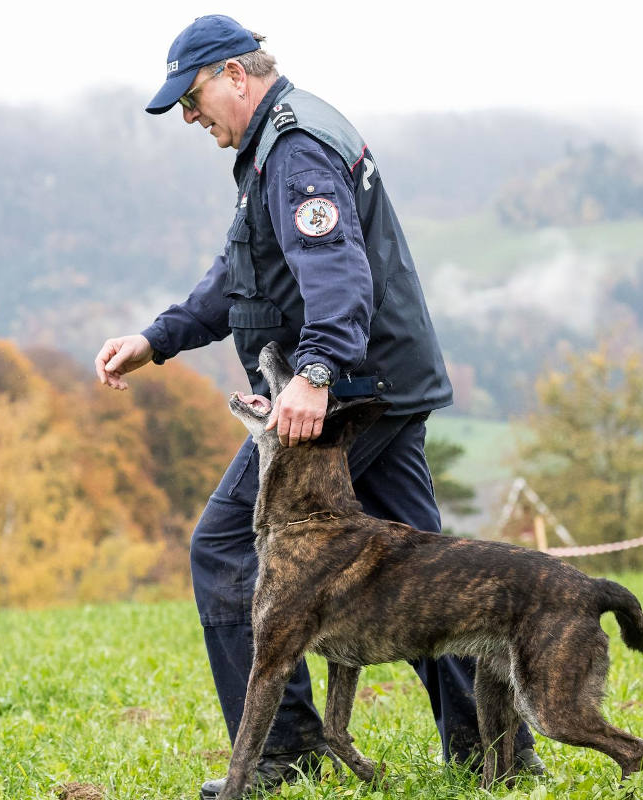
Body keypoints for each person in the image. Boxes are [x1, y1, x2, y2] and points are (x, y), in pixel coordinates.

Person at [93, 14, 541, 799]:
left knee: (227, 546)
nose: (191, 119)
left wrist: (316, 371)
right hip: (383, 386)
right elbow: (243, 275)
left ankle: (280, 754)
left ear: (236, 74)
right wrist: (158, 339)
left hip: (346, 397)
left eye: (193, 99)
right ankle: (494, 755)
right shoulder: (277, 144)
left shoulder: (294, 149)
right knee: (428, 569)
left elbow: (337, 272)